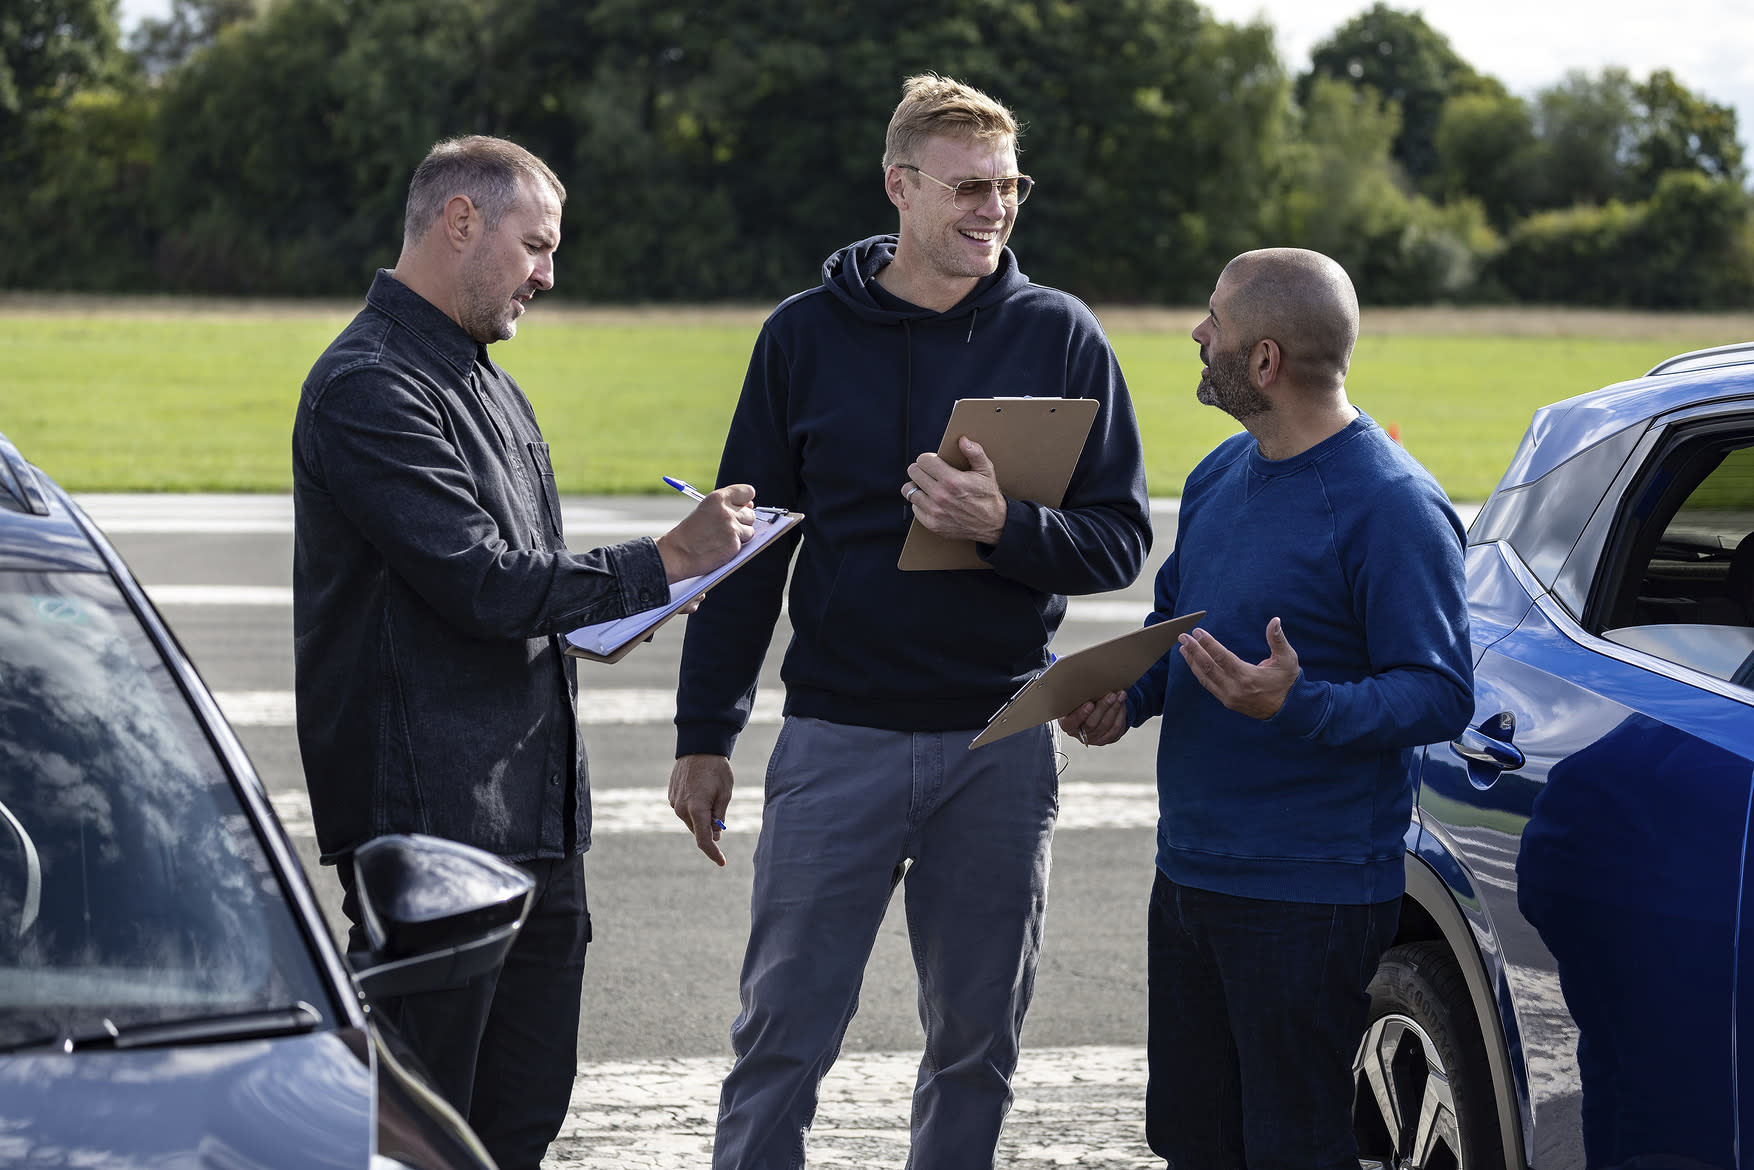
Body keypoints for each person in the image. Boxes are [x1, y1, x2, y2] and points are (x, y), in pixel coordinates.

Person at [666, 73, 1152, 1170]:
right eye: (968, 186)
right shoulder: (801, 338)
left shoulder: (1061, 337)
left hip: (998, 743)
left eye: (1008, 185)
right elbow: (742, 548)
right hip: (837, 737)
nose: (993, 208)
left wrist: (1003, 525)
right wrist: (705, 734)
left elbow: (1119, 539)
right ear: (898, 185)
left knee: (977, 1043)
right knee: (780, 1039)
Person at [291, 134, 755, 1170]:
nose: (550, 274)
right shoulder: (369, 384)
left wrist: (637, 601)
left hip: (534, 817)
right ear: (462, 220)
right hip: (430, 830)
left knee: (522, 1118)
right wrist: (659, 557)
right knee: (425, 1135)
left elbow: (520, 585)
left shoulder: (484, 380)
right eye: (537, 245)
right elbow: (478, 579)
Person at [1061, 247, 1473, 1168]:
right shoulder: (1219, 474)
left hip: (1310, 897)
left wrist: (1301, 704)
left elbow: (1442, 691)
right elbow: (1179, 630)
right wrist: (1125, 699)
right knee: (1194, 1142)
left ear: (1265, 362)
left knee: (1293, 1147)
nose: (1197, 334)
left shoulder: (1393, 505)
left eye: (1216, 322)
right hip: (1191, 879)